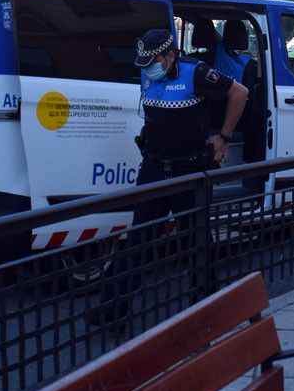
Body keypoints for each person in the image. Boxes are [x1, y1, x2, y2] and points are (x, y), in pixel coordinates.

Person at [91, 27, 247, 325]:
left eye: (153, 61)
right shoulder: (148, 73)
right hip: (154, 168)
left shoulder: (196, 73)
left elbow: (240, 93)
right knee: (139, 239)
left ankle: (207, 308)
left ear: (170, 56)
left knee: (197, 242)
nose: (147, 68)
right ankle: (115, 309)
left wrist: (224, 137)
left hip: (188, 171)